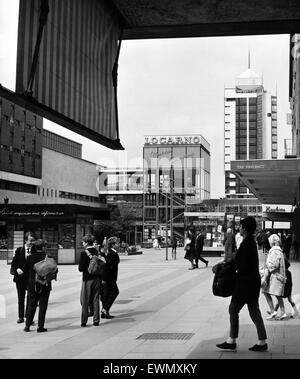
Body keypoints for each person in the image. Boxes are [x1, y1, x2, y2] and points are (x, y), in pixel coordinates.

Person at [216, 216, 268, 352]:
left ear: (244, 228)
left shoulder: (247, 244)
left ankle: (232, 340)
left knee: (233, 309)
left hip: (245, 283)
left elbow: (237, 263)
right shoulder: (250, 242)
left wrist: (221, 267)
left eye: (240, 226)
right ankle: (262, 341)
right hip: (252, 283)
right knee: (254, 311)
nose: (239, 228)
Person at [24, 239, 57, 332]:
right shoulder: (48, 257)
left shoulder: (30, 258)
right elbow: (55, 269)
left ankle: (27, 326)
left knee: (31, 304)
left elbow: (25, 270)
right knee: (43, 305)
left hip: (33, 285)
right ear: (43, 247)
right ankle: (40, 326)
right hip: (45, 284)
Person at [11, 232, 36, 324]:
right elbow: (14, 263)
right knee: (20, 298)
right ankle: (21, 317)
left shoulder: (35, 251)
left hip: (30, 279)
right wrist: (17, 269)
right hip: (20, 278)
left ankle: (29, 317)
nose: (32, 242)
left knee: (30, 299)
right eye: (30, 240)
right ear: (25, 240)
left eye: (33, 241)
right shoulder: (19, 250)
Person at [261, 234, 287, 320]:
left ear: (272, 242)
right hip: (277, 276)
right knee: (277, 295)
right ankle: (280, 312)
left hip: (276, 277)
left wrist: (267, 264)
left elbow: (274, 265)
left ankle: (274, 311)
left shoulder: (275, 251)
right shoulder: (278, 250)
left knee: (266, 291)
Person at [78, 234, 101, 327]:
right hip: (97, 278)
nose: (83, 244)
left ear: (87, 243)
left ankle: (84, 321)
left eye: (83, 242)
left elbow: (80, 268)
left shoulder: (84, 253)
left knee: (85, 300)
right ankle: (96, 320)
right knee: (96, 299)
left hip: (87, 279)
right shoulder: (97, 252)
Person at [101, 236, 120, 319]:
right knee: (115, 292)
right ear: (113, 245)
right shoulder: (112, 254)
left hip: (110, 277)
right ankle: (105, 309)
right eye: (117, 243)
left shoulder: (112, 253)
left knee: (107, 294)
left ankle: (105, 312)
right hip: (109, 278)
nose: (118, 245)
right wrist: (104, 279)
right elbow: (107, 267)